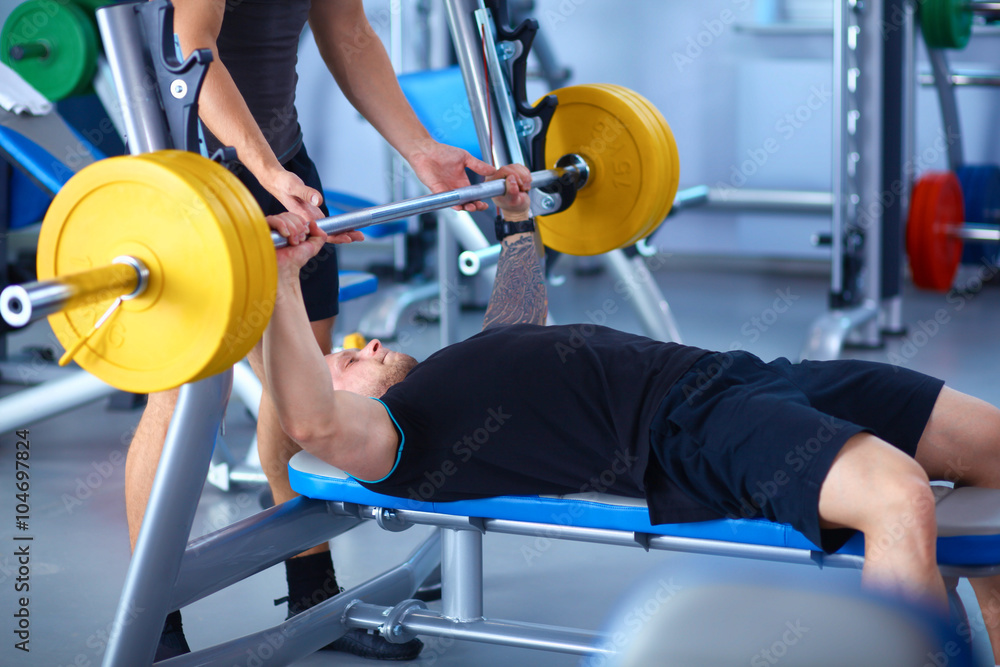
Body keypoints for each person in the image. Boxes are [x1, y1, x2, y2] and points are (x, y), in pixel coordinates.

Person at [267, 163, 1000, 663]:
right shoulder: (398, 439)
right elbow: (311, 419)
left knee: (992, 448)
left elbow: (517, 322)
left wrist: (518, 222)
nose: (362, 342)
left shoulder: (453, 383)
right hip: (689, 428)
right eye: (344, 361)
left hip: (749, 376)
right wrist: (282, 281)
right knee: (898, 498)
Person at [126, 0, 495, 661]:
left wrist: (420, 149)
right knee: (184, 397)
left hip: (281, 163)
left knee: (305, 381)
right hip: (189, 173)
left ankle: (314, 593)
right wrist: (263, 173)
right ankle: (153, 629)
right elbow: (189, 45)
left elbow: (348, 32)